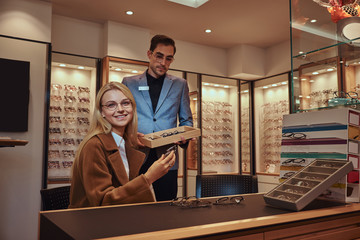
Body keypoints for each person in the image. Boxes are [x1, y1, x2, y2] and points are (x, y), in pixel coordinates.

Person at [69, 82, 175, 208]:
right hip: (94, 224)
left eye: (125, 103)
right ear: (101, 112)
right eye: (111, 105)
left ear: (132, 107)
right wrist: (148, 178)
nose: (120, 109)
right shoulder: (93, 146)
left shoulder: (124, 143)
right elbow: (102, 202)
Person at [122, 34, 193, 201]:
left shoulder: (180, 84)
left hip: (167, 157)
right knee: (133, 206)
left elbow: (186, 120)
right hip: (136, 154)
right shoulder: (129, 82)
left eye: (169, 59)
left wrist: (184, 137)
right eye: (159, 56)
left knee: (167, 208)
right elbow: (122, 119)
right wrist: (130, 136)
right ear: (149, 54)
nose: (163, 63)